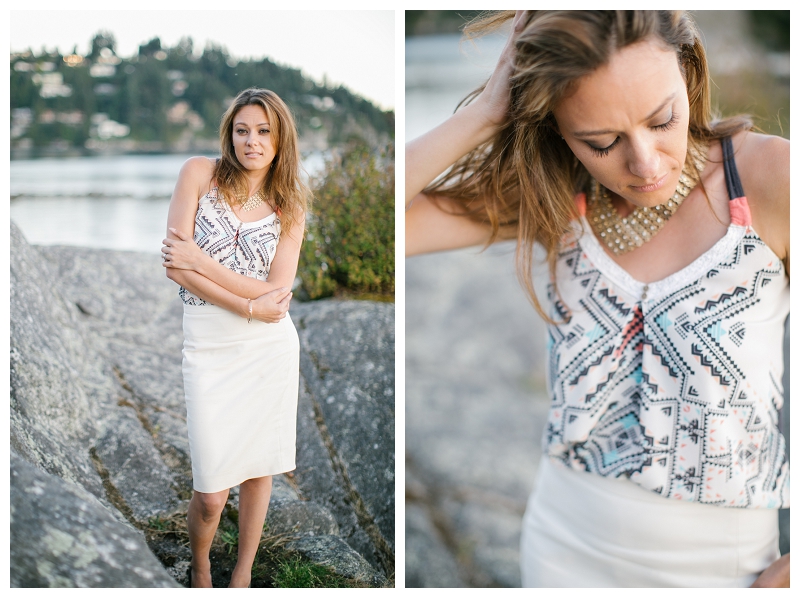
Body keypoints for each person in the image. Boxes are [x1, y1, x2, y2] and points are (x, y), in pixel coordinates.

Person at [406, 11, 789, 588]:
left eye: (662, 120)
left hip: (723, 566)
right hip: (562, 545)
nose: (645, 163)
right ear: (556, 130)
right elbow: (392, 221)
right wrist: (486, 113)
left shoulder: (771, 179)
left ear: (687, 71)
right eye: (603, 142)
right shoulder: (558, 195)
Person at [161, 87, 309, 588]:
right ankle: (200, 567)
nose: (252, 141)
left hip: (268, 351)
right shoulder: (198, 174)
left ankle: (241, 575)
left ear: (280, 137)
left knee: (258, 467)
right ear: (230, 134)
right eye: (243, 130)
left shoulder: (291, 203)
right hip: (207, 346)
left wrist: (202, 261)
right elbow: (175, 270)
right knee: (209, 493)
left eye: (264, 131)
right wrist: (248, 302)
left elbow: (278, 295)